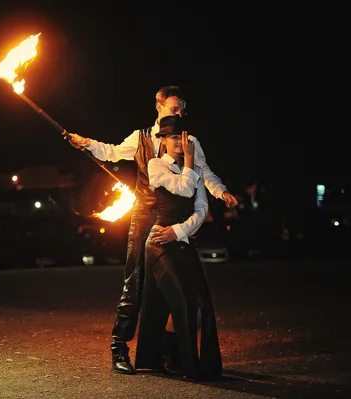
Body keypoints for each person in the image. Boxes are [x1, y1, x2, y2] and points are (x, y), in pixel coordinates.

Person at [67, 85, 237, 374]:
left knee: (175, 289)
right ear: (159, 107)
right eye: (174, 108)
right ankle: (119, 348)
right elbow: (111, 153)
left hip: (176, 221)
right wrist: (86, 142)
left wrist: (221, 192)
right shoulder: (141, 138)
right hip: (145, 215)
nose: (179, 113)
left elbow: (204, 173)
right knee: (135, 284)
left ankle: (167, 351)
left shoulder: (190, 141)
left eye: (183, 110)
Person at [134, 115, 222, 380]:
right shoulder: (156, 165)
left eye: (181, 137)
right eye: (172, 137)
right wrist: (189, 163)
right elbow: (184, 190)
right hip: (160, 243)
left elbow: (201, 209)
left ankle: (172, 354)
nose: (178, 142)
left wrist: (180, 231)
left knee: (201, 306)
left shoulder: (193, 169)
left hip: (182, 241)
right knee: (181, 302)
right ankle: (185, 364)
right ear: (162, 141)